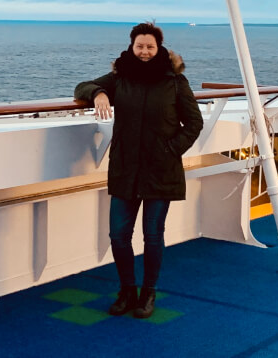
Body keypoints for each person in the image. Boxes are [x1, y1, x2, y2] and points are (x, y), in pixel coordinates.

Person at [74, 22, 203, 319]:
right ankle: (126, 290)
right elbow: (82, 86)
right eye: (139, 46)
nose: (144, 52)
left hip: (161, 171)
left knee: (152, 235)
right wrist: (99, 94)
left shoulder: (174, 82)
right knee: (118, 235)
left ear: (160, 49)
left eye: (150, 47)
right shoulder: (120, 78)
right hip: (125, 170)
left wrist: (170, 150)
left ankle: (148, 293)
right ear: (132, 47)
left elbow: (194, 123)